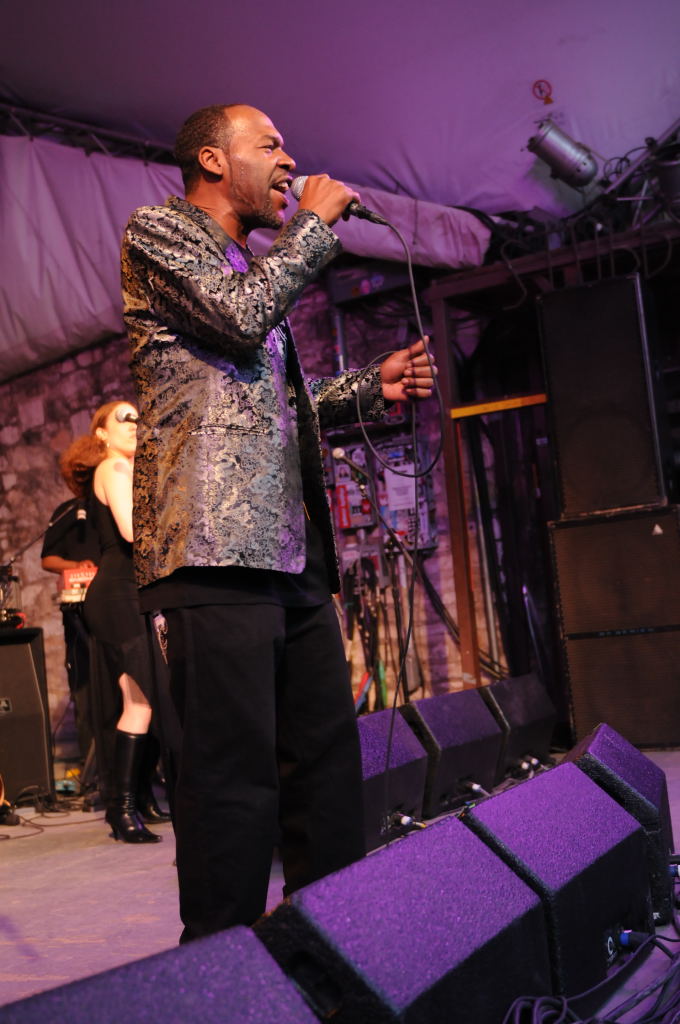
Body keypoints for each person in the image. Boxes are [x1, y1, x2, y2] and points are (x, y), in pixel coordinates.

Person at [121, 103, 436, 941]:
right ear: (214, 161)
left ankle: (334, 954)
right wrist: (314, 230)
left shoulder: (248, 269)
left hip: (290, 555)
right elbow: (235, 318)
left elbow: (270, 406)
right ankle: (221, 971)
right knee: (231, 781)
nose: (290, 161)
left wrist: (370, 387)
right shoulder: (160, 232)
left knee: (326, 773)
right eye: (270, 145)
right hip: (209, 551)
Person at [66, 401, 170, 842]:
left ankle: (140, 798)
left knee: (149, 696)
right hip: (118, 594)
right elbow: (131, 531)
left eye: (137, 418)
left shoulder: (127, 469)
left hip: (131, 592)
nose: (134, 424)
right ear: (102, 434)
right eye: (122, 419)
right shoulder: (114, 467)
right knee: (140, 700)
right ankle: (121, 810)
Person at [41, 481, 101, 766]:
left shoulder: (116, 509)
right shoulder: (67, 513)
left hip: (116, 603)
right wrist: (76, 567)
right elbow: (48, 559)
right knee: (85, 687)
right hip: (78, 610)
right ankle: (92, 771)